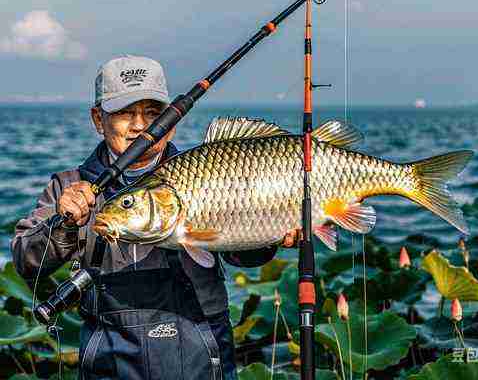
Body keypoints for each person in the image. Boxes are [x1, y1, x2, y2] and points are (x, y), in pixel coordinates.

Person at [12, 55, 296, 380]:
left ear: (172, 120)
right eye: (124, 113)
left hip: (203, 360)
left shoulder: (210, 174)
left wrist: (273, 235)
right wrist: (62, 225)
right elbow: (25, 262)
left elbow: (241, 254)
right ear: (97, 119)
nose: (139, 125)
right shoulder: (68, 186)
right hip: (111, 364)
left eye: (152, 113)